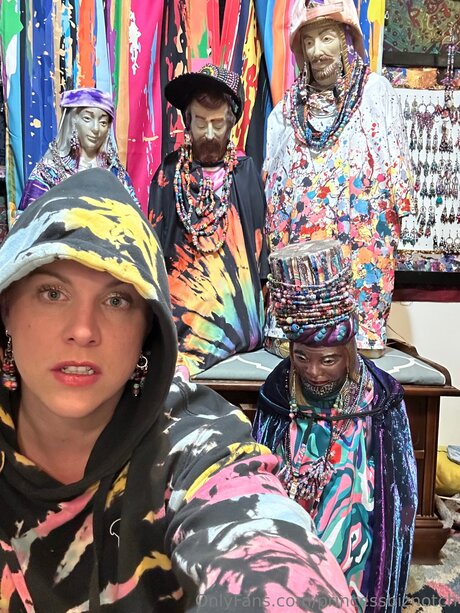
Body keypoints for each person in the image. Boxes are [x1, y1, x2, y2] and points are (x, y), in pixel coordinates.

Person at [0, 168, 356, 611]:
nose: (83, 330)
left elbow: (263, 542)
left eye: (116, 300)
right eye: (53, 293)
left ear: (147, 329)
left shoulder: (194, 442)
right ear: (8, 307)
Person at [252, 239, 418, 612]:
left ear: (349, 352)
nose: (313, 372)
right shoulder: (277, 392)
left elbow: (399, 503)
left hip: (357, 547)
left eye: (328, 360)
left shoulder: (380, 399)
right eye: (301, 357)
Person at [263, 0, 413, 359]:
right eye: (308, 41)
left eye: (327, 37)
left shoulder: (375, 94)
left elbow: (398, 174)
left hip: (360, 250)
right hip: (302, 260)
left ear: (346, 38)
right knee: (297, 331)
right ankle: (294, 329)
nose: (317, 51)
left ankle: (363, 332)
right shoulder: (285, 112)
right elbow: (271, 193)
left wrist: (397, 207)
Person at [148, 64, 267, 378]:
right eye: (201, 123)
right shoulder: (170, 171)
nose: (210, 134)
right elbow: (155, 245)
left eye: (217, 123)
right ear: (188, 122)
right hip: (183, 301)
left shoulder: (244, 170)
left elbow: (259, 249)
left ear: (231, 122)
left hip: (235, 303)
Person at [19, 87, 137, 211]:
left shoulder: (116, 173)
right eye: (87, 119)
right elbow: (29, 218)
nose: (95, 128)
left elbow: (135, 217)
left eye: (103, 122)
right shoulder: (50, 170)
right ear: (72, 120)